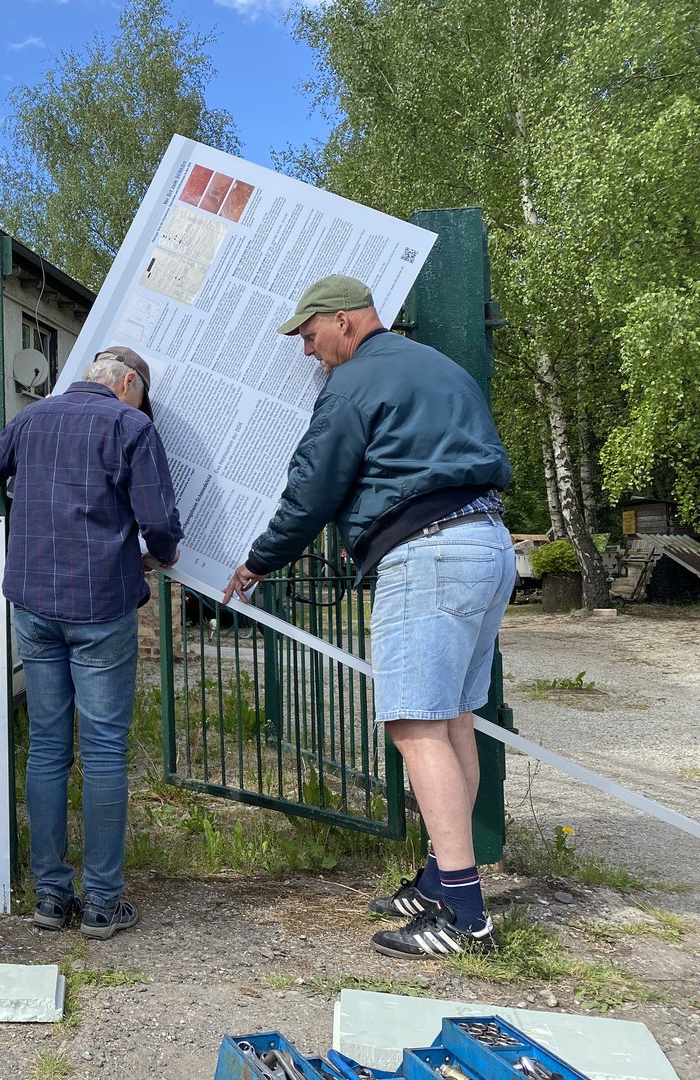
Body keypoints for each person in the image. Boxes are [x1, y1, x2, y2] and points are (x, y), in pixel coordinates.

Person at [222, 275, 515, 959]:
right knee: (451, 721)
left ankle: (465, 920)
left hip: (428, 552)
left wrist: (259, 561)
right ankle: (443, 885)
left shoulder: (353, 385)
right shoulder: (435, 367)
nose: (305, 350)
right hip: (486, 542)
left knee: (416, 727)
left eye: (308, 334)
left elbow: (312, 490)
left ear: (346, 321)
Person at [0, 346, 183, 940]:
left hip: (34, 603)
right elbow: (159, 521)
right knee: (105, 750)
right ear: (128, 384)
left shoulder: (33, 418)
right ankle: (101, 903)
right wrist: (163, 556)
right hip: (100, 604)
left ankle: (50, 895)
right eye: (144, 395)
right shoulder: (130, 425)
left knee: (46, 749)